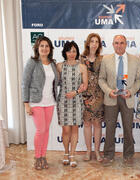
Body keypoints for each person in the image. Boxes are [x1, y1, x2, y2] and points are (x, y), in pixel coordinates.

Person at [98, 35, 140, 167]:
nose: (119, 45)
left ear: (126, 44)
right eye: (116, 43)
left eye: (122, 43)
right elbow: (101, 79)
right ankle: (108, 155)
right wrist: (108, 91)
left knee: (128, 128)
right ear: (112, 44)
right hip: (111, 98)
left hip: (127, 99)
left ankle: (128, 155)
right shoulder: (106, 59)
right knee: (110, 128)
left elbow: (138, 80)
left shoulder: (135, 60)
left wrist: (131, 91)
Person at [22, 36, 59, 170]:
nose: (44, 48)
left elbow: (57, 82)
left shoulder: (53, 63)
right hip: (36, 101)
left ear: (50, 49)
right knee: (40, 130)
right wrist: (26, 103)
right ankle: (37, 157)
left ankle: (43, 156)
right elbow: (25, 83)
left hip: (50, 101)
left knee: (46, 130)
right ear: (37, 48)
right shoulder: (32, 62)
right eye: (42, 46)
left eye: (47, 46)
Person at [57, 41, 88, 167]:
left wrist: (75, 92)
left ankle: (73, 154)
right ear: (65, 52)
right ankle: (65, 153)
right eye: (69, 51)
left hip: (76, 101)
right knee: (65, 130)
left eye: (74, 51)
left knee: (75, 128)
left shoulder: (82, 67)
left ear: (77, 53)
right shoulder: (59, 66)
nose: (71, 53)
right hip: (63, 101)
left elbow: (84, 86)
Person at [80, 33, 104, 162]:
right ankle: (88, 151)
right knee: (87, 124)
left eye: (97, 41)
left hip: (99, 97)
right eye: (92, 41)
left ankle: (97, 151)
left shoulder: (102, 59)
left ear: (99, 45)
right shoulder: (81, 59)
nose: (94, 44)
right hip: (86, 97)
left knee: (98, 124)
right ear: (88, 43)